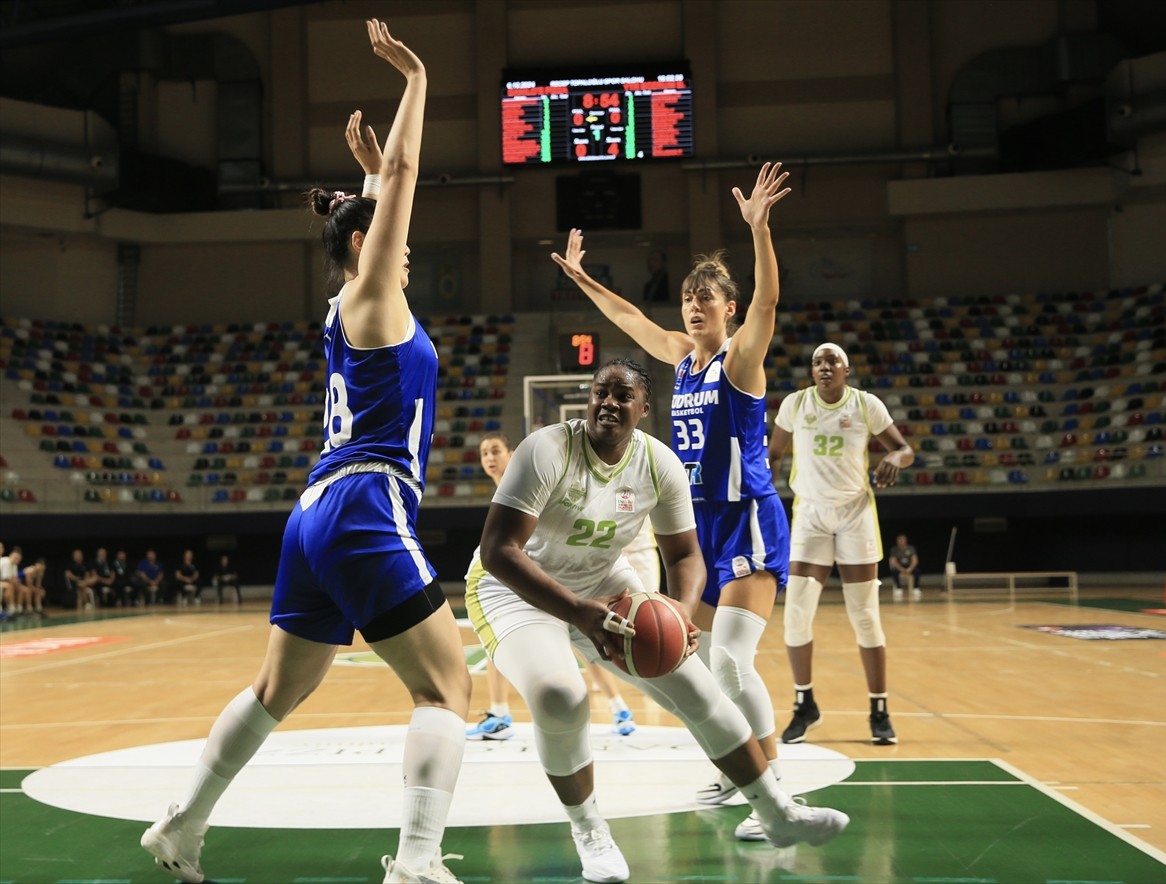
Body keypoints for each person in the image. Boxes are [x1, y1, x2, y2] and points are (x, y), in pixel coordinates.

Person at [140, 21, 470, 884]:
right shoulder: (372, 298)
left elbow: (372, 208)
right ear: (365, 249)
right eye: (385, 237)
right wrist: (417, 79)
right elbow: (397, 187)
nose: (404, 243)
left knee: (276, 690)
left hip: (313, 512)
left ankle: (181, 825)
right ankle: (418, 862)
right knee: (447, 688)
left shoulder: (347, 308)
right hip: (365, 502)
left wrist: (361, 184)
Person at [470, 358, 848, 883]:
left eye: (623, 396)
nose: (609, 402)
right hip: (512, 588)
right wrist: (580, 614)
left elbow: (687, 557)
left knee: (698, 687)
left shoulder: (659, 463)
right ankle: (590, 831)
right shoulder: (547, 449)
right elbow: (498, 550)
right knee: (562, 697)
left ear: (644, 410)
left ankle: (775, 812)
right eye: (601, 392)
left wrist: (680, 613)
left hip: (600, 579)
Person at [552, 163, 793, 837]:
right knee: (705, 665)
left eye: (707, 298)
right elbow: (629, 315)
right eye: (689, 296)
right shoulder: (683, 357)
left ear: (729, 311)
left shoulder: (741, 359)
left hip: (746, 519)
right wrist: (583, 279)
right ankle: (733, 766)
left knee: (732, 663)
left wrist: (759, 232)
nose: (693, 305)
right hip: (698, 530)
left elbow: (770, 304)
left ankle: (771, 785)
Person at [767, 342, 915, 747]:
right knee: (795, 612)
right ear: (812, 371)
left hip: (854, 514)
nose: (824, 366)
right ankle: (804, 704)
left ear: (846, 370)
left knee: (865, 616)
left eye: (832, 360)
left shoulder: (866, 405)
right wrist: (761, 502)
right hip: (811, 515)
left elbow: (905, 449)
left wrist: (894, 460)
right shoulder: (796, 405)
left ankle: (879, 711)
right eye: (817, 361)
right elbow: (774, 455)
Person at [466, 432, 638, 741]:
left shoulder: (534, 479)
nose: (489, 458)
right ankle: (500, 711)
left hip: (555, 568)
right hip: (529, 572)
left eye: (495, 451)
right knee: (500, 638)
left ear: (512, 453)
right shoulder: (505, 490)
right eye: (484, 454)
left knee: (580, 638)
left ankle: (618, 705)